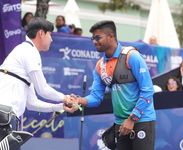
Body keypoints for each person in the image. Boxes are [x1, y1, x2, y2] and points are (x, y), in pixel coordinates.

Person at [70, 20, 156, 150]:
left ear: (111, 36)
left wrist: (132, 118)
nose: (94, 41)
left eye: (97, 37)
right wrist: (79, 101)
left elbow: (148, 90)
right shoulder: (100, 65)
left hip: (141, 120)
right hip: (120, 124)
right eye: (93, 38)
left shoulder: (131, 56)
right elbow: (96, 97)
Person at [0, 17, 77, 149]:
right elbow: (43, 89)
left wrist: (61, 106)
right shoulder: (29, 51)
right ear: (41, 33)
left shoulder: (24, 52)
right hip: (3, 117)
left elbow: (32, 104)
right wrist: (65, 98)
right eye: (50, 35)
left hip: (6, 118)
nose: (51, 39)